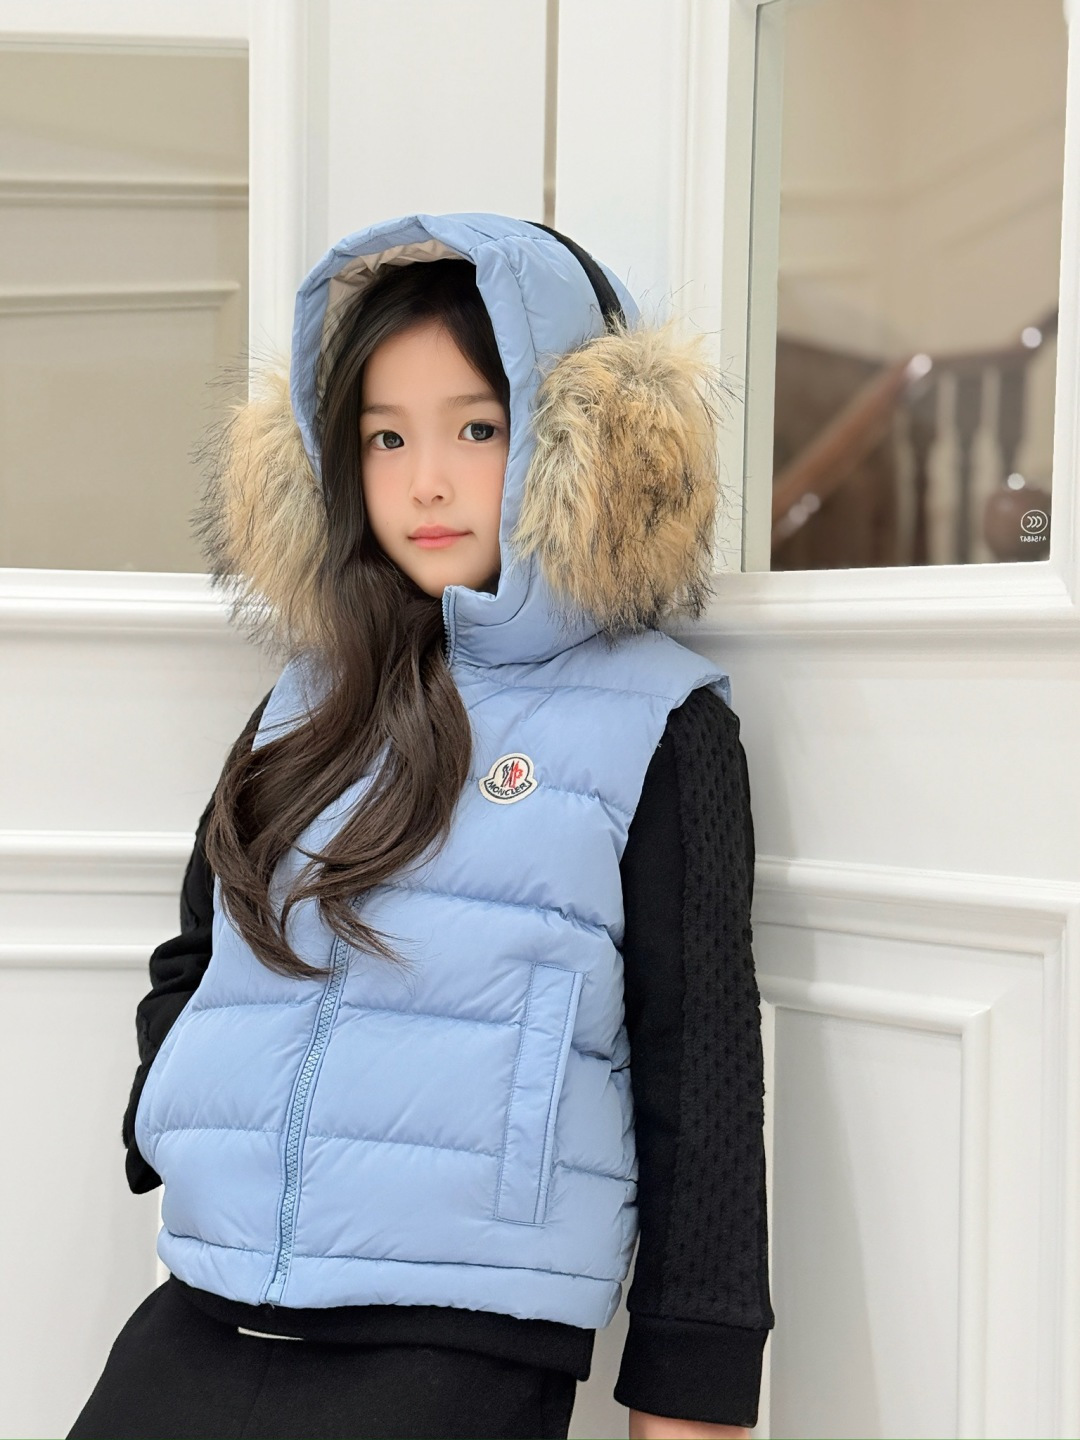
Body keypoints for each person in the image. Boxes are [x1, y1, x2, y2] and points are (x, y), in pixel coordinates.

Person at [67, 212, 774, 1440]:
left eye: (476, 429)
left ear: (577, 442)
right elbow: (200, 944)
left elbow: (699, 1070)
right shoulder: (307, 697)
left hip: (457, 1339)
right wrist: (169, 1108)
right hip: (208, 1307)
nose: (425, 481)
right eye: (384, 437)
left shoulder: (658, 719)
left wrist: (690, 1390)